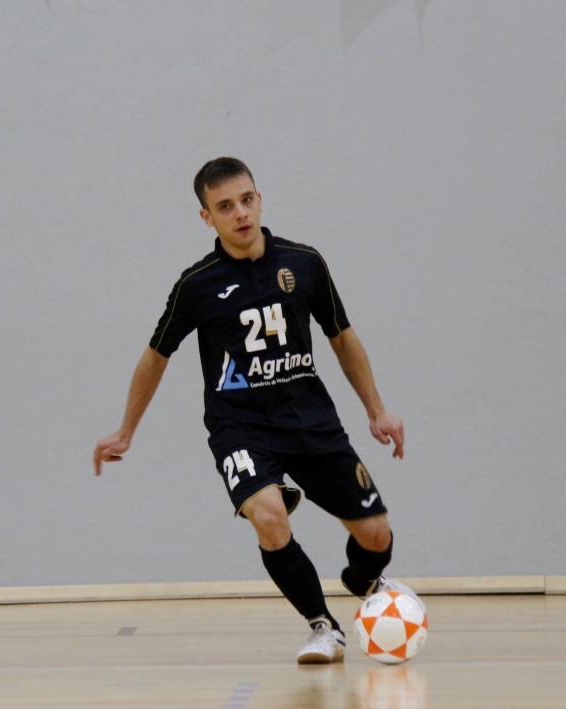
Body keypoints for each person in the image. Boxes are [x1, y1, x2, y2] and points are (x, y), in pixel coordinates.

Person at [93, 157, 412, 664]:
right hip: (240, 427)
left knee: (376, 535)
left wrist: (377, 410)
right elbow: (155, 357)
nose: (239, 213)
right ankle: (323, 627)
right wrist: (126, 430)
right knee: (268, 517)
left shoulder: (304, 263)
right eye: (224, 206)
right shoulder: (196, 285)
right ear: (207, 218)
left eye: (246, 199)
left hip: (312, 422)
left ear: (259, 199)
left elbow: (343, 338)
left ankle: (363, 580)